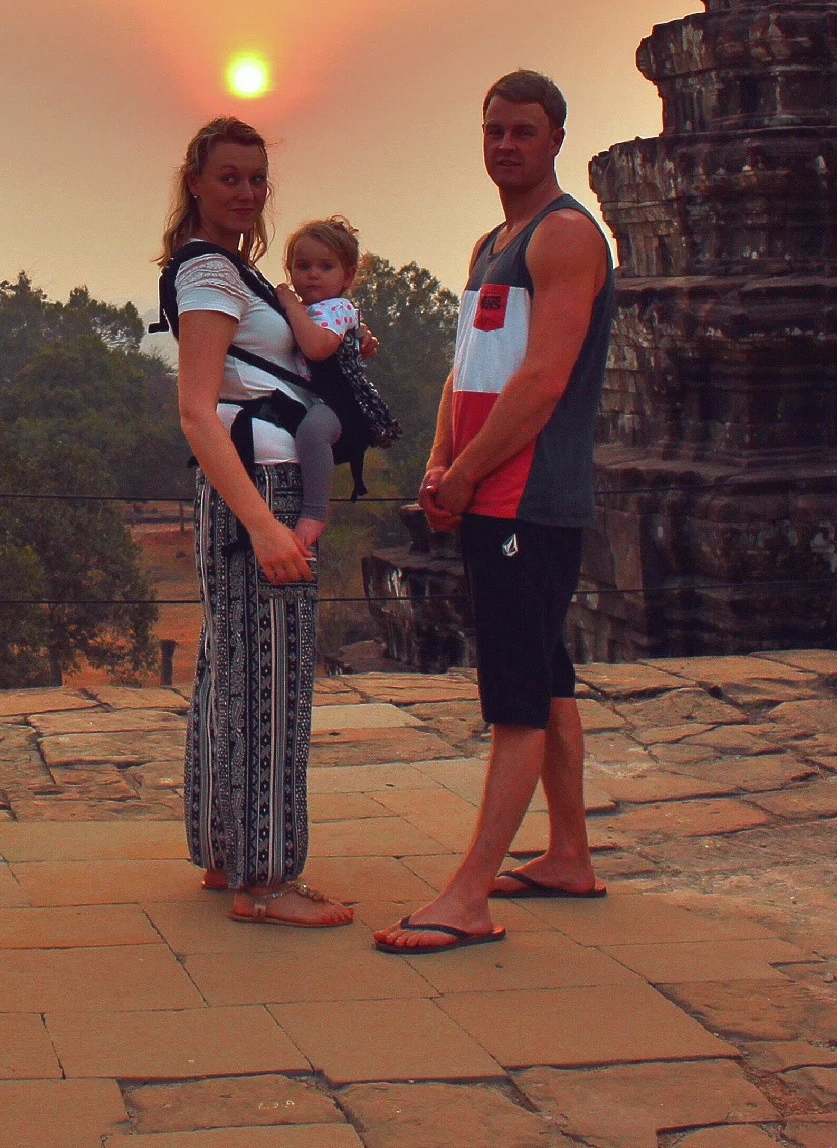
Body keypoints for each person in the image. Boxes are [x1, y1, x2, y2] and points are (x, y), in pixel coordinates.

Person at [375, 70, 615, 956]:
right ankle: (570, 856)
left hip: (528, 497)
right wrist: (440, 464)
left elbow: (544, 380)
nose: (505, 145)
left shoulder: (564, 239)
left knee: (515, 697)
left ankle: (469, 893)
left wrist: (471, 475)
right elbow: (468, 369)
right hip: (484, 488)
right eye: (493, 131)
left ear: (555, 140)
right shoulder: (493, 243)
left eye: (522, 131)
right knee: (545, 677)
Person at [160, 116, 353, 928]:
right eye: (230, 177)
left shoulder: (228, 270)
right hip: (260, 489)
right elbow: (199, 413)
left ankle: (224, 853)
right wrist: (271, 528)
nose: (245, 191)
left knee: (230, 669)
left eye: (256, 178)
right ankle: (265, 879)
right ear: (197, 183)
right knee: (269, 682)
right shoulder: (210, 275)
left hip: (247, 486)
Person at [276, 215, 401, 555]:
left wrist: (290, 306)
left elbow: (318, 347)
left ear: (347, 276)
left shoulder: (335, 307)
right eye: (302, 266)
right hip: (318, 398)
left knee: (312, 432)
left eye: (325, 266)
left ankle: (315, 513)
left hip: (341, 404)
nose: (312, 274)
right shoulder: (315, 309)